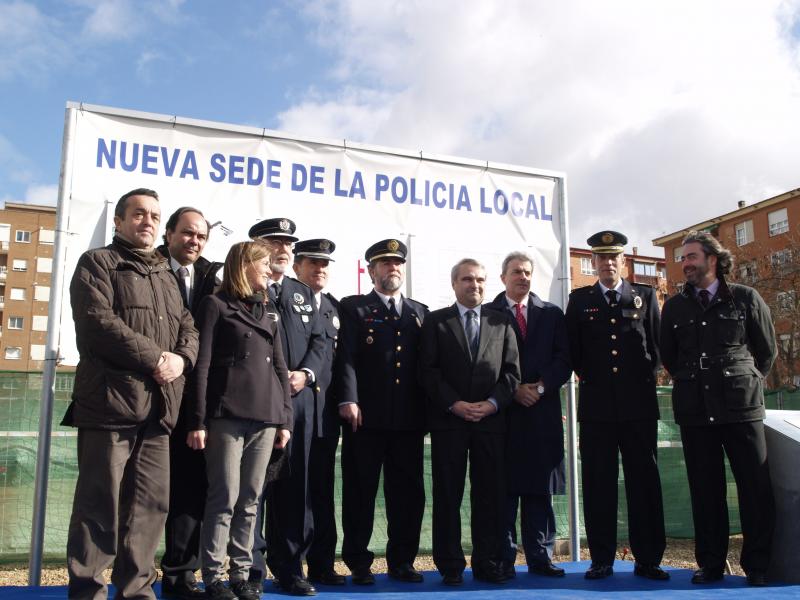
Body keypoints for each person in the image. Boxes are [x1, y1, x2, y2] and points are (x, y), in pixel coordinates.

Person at [64, 188, 199, 600]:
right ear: (119, 222)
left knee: (149, 509)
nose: (148, 222)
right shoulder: (98, 263)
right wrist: (156, 357)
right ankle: (88, 590)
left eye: (155, 216)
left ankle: (136, 591)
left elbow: (188, 327)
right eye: (138, 214)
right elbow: (96, 324)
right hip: (109, 406)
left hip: (158, 412)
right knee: (98, 506)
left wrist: (181, 360)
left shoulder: (166, 274)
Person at [660, 230, 776, 587]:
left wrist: (741, 380)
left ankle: (757, 565)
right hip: (696, 411)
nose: (685, 264)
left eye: (691, 256)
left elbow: (766, 352)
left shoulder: (745, 298)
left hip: (741, 408)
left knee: (755, 488)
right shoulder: (676, 307)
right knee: (705, 489)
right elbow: (670, 356)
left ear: (713, 260)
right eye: (682, 258)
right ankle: (710, 563)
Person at [186, 241, 293, 600]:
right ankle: (214, 576)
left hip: (266, 417)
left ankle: (240, 574)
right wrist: (198, 419)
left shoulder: (270, 312)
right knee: (224, 496)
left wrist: (285, 420)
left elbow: (280, 368)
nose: (269, 270)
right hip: (226, 416)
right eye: (263, 264)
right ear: (243, 266)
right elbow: (201, 366)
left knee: (250, 499)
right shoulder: (215, 305)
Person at [565, 230, 668, 581]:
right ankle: (602, 559)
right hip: (596, 410)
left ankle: (649, 558)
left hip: (638, 407)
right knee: (598, 484)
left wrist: (635, 384)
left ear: (623, 262)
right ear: (593, 262)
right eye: (601, 257)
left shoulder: (645, 296)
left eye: (614, 257)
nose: (607, 262)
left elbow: (656, 348)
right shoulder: (579, 301)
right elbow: (574, 353)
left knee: (645, 483)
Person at [420, 258, 520, 586]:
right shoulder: (436, 322)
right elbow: (428, 372)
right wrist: (455, 404)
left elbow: (511, 373)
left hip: (490, 423)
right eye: (467, 279)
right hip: (450, 422)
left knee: (489, 495)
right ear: (454, 284)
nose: (474, 285)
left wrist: (491, 404)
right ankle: (450, 565)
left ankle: (487, 562)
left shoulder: (501, 322)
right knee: (448, 494)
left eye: (479, 280)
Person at [335, 239, 429, 585]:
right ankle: (359, 562)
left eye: (397, 263)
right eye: (385, 263)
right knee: (360, 492)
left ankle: (402, 561)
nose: (392, 268)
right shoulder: (355, 308)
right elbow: (345, 357)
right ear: (371, 270)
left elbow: (427, 368)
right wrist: (348, 398)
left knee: (407, 493)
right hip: (366, 420)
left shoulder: (420, 312)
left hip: (408, 421)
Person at [248, 218, 325, 596]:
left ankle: (291, 567)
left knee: (298, 489)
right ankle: (251, 570)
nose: (282, 249)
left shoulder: (302, 291)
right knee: (253, 489)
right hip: (258, 405)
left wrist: (307, 373)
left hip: (300, 406)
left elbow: (321, 341)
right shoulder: (242, 288)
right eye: (273, 242)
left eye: (287, 244)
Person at [485, 251, 571, 578]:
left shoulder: (551, 314)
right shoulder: (487, 314)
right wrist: (513, 389)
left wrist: (541, 387)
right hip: (503, 416)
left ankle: (540, 556)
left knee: (539, 491)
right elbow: (481, 361)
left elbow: (564, 358)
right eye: (516, 272)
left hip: (541, 414)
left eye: (527, 272)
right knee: (504, 492)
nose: (523, 277)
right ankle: (503, 559)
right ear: (503, 276)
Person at [158, 207, 223, 600]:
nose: (194, 241)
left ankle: (181, 575)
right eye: (187, 233)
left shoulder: (211, 278)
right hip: (153, 394)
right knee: (146, 494)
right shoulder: (149, 269)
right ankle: (133, 574)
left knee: (191, 489)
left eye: (200, 236)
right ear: (169, 234)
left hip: (197, 403)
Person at [291, 239, 345, 586]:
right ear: (297, 267)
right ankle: (292, 565)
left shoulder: (334, 309)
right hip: (294, 413)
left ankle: (323, 563)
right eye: (312, 262)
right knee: (296, 494)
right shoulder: (285, 303)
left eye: (324, 263)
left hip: (325, 416)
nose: (319, 269)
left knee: (323, 492)